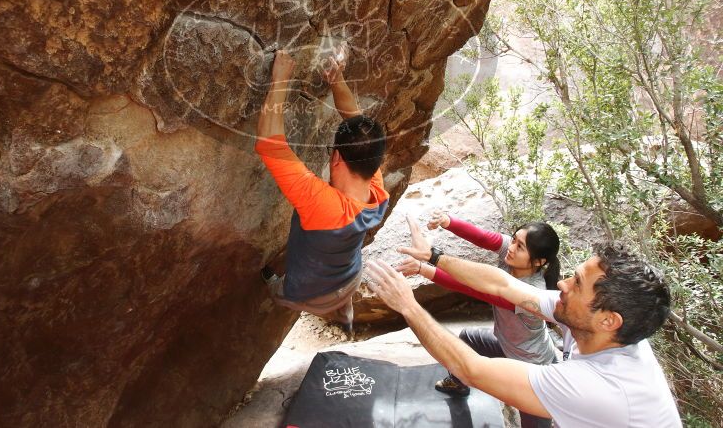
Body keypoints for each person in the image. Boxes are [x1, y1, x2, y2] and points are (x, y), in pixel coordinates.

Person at [365, 239, 681, 427]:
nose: (562, 284)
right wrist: (435, 257)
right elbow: (504, 285)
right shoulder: (594, 327)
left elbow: (471, 370)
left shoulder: (603, 387)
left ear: (609, 320)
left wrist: (408, 306)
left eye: (577, 284)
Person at [256, 47, 389, 334]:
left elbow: (270, 143)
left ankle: (272, 285)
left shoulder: (324, 206)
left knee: (278, 289)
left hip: (305, 294)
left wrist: (279, 79)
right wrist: (336, 79)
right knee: (344, 290)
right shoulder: (376, 189)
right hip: (350, 277)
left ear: (336, 158)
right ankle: (346, 315)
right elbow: (355, 120)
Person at [394, 212, 560, 428]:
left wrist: (424, 266)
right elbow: (484, 237)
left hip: (531, 366)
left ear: (539, 261)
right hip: (505, 346)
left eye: (520, 247)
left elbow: (474, 289)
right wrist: (448, 222)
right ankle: (458, 383)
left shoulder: (532, 294)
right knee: (468, 338)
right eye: (514, 239)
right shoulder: (511, 252)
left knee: (533, 420)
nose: (511, 247)